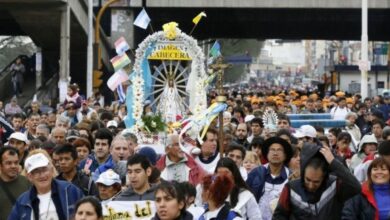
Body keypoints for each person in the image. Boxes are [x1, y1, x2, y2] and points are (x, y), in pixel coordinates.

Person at [273, 144, 361, 219]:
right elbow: (279, 216)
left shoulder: (334, 185)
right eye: (308, 180)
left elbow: (356, 187)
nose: (311, 185)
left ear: (324, 177)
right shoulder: (291, 188)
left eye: (316, 182)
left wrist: (333, 162)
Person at [8, 152, 84, 219]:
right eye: (36, 172)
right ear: (30, 177)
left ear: (51, 170)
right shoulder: (23, 202)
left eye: (44, 170)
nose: (42, 175)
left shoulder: (70, 190)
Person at [246, 137, 293, 220]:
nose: (275, 153)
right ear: (267, 154)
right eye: (272, 150)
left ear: (285, 155)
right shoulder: (256, 173)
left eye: (279, 150)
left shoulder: (291, 177)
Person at [0, 147, 31, 220]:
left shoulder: (27, 182)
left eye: (16, 162)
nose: (13, 166)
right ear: (1, 165)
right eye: (8, 163)